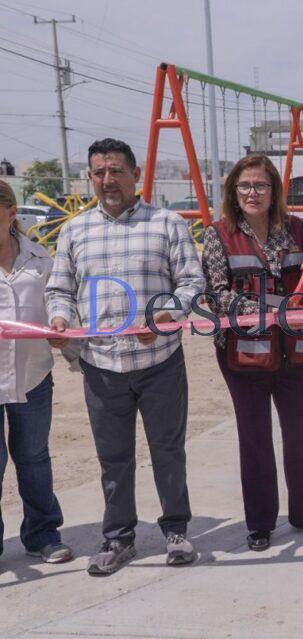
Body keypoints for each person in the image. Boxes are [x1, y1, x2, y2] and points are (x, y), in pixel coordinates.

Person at [46, 138, 205, 576]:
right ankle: (119, 538)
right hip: (102, 365)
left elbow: (192, 283)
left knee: (168, 449)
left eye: (116, 171)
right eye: (99, 172)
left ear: (136, 174)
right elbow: (60, 290)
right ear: (90, 178)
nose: (107, 180)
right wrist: (60, 321)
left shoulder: (167, 224)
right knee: (113, 456)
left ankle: (176, 530)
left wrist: (166, 317)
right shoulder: (75, 231)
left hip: (160, 363)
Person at [200, 154, 303, 552]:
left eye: (261, 185)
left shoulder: (294, 228)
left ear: (273, 190)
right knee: (254, 437)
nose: (253, 193)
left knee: (298, 433)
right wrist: (268, 312)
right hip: (244, 355)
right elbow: (217, 294)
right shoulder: (219, 233)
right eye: (245, 186)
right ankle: (260, 522)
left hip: (294, 350)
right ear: (233, 192)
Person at [0, 180, 72, 565]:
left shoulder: (40, 261)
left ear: (11, 214)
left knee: (33, 457)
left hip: (33, 376)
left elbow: (58, 307)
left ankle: (43, 534)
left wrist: (63, 335)